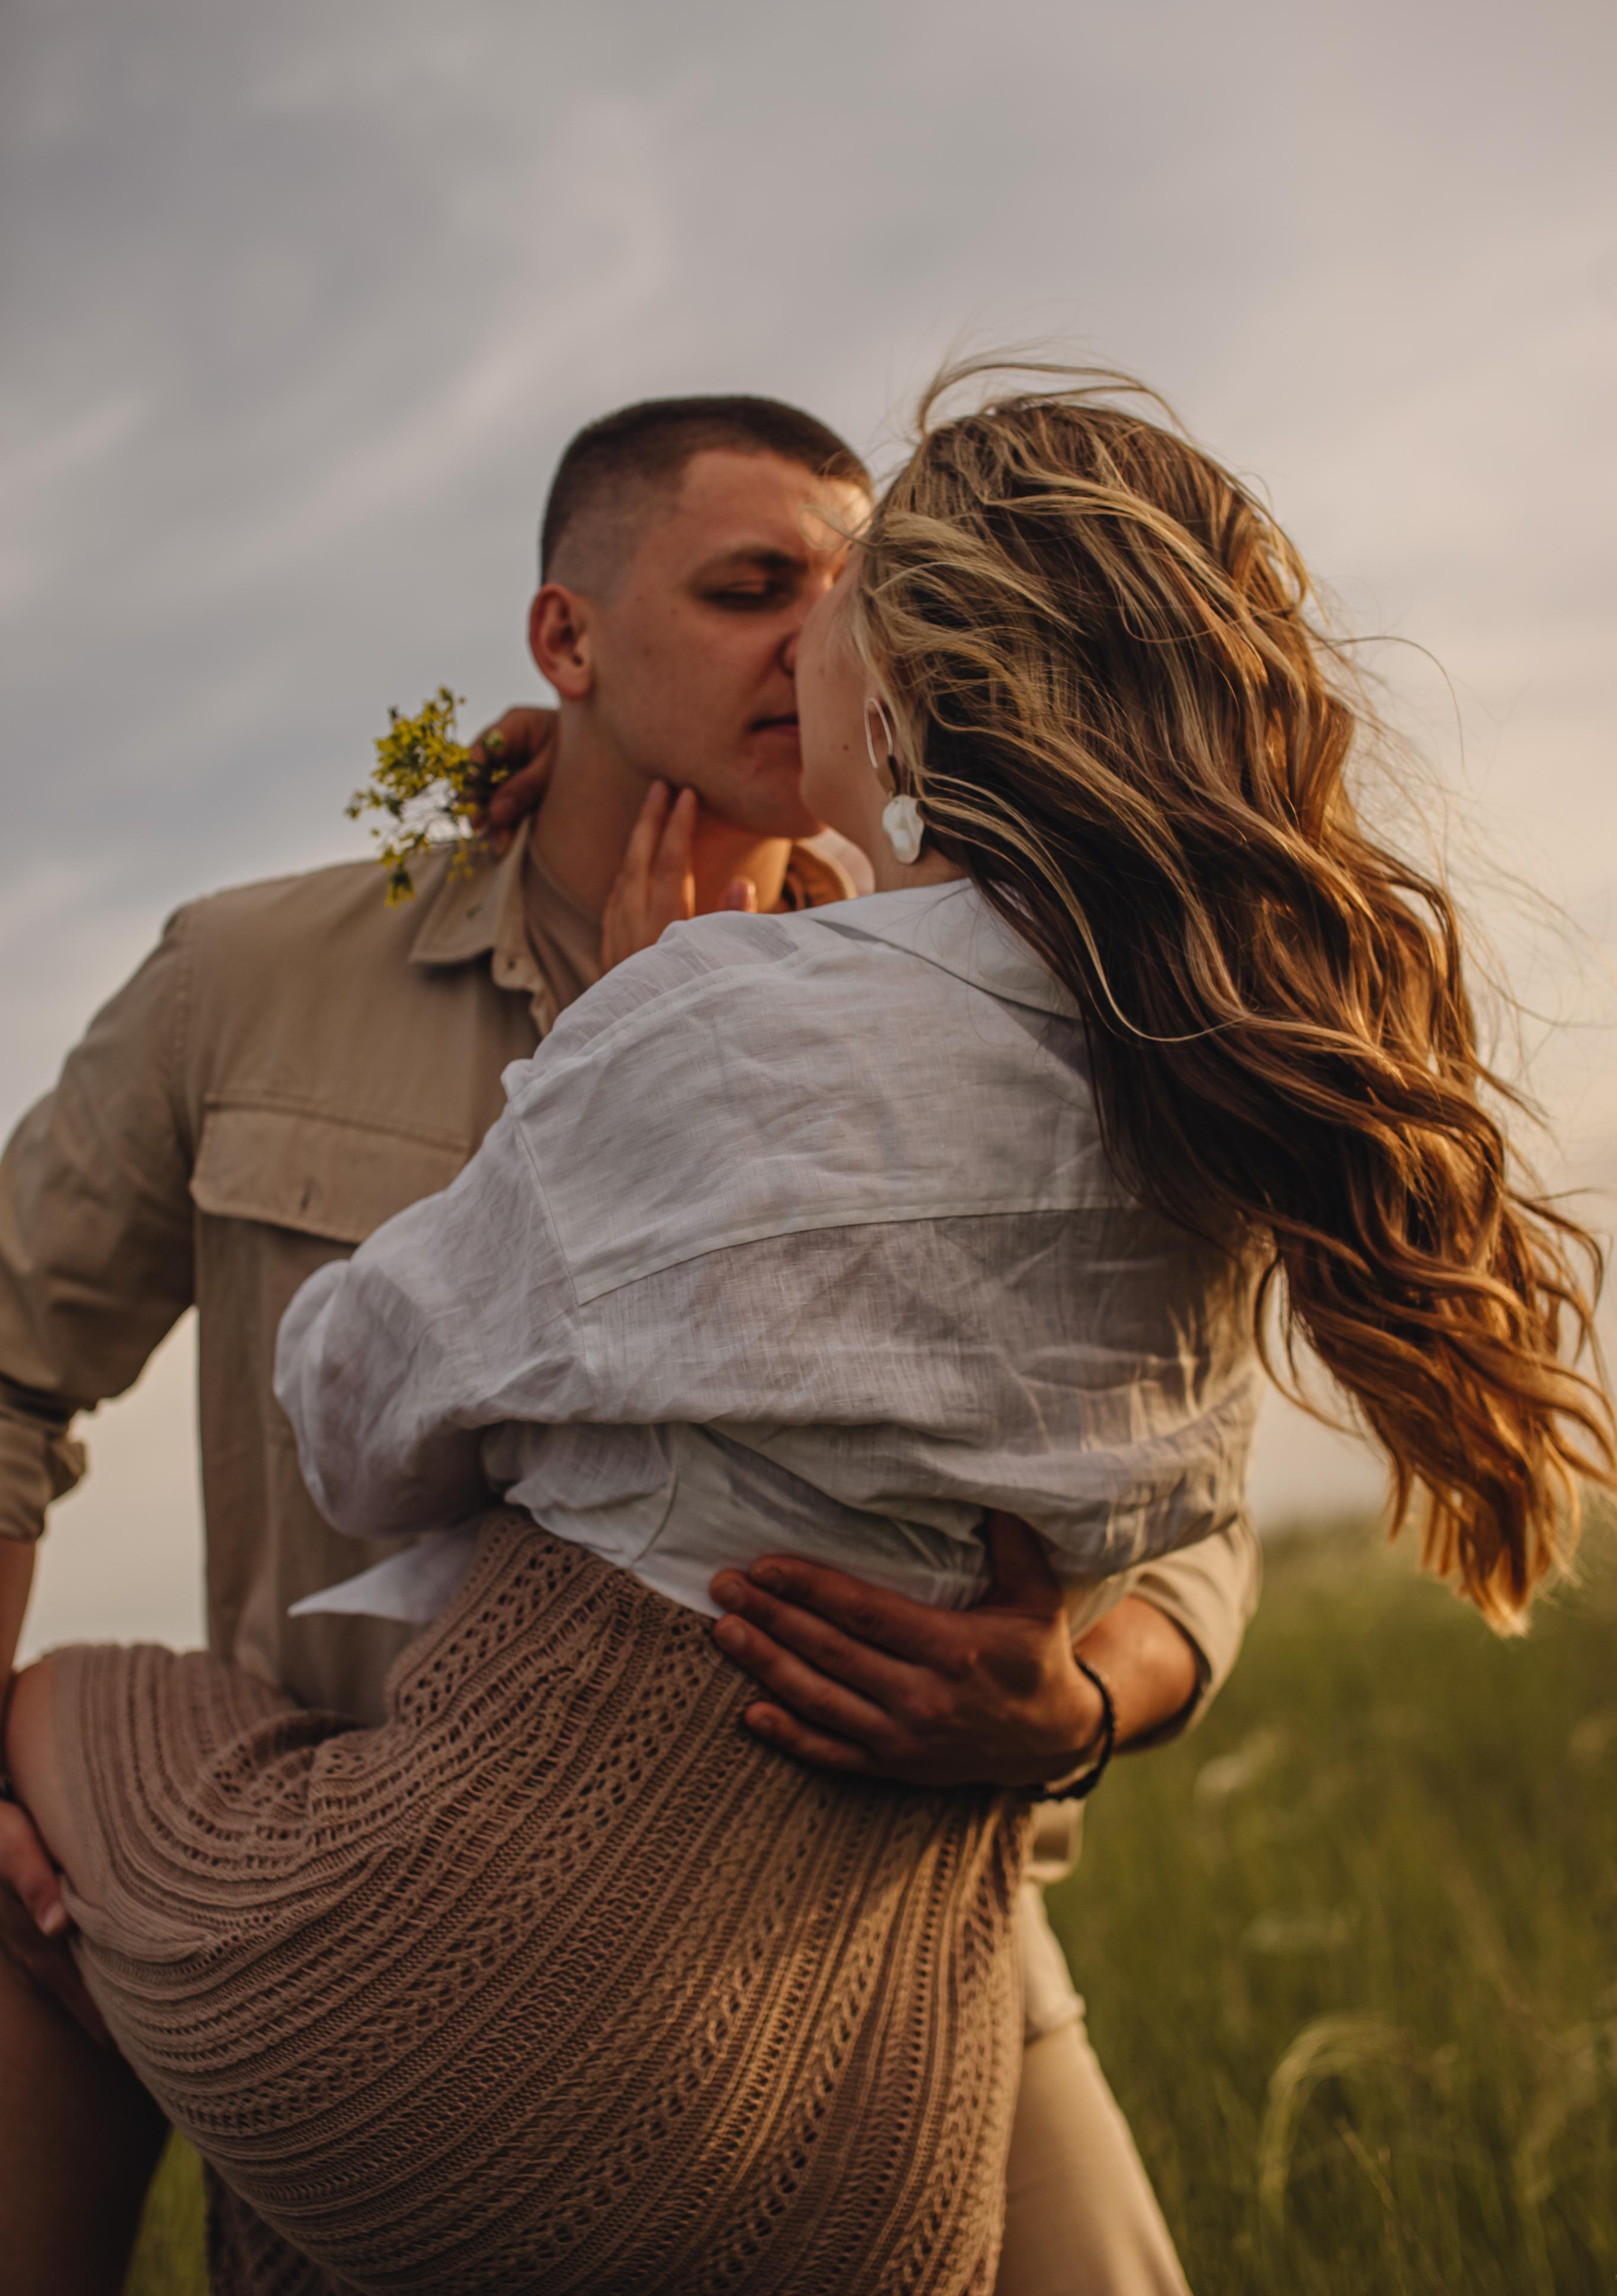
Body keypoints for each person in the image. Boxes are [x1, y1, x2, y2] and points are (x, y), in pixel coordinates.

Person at [9, 365, 1611, 2295]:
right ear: (566, 639)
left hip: (918, 1954)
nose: (820, 635)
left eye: (850, 593)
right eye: (751, 587)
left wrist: (1082, 1702)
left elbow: (1192, 1534)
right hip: (412, 1896)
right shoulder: (256, 976)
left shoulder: (1068, 988)